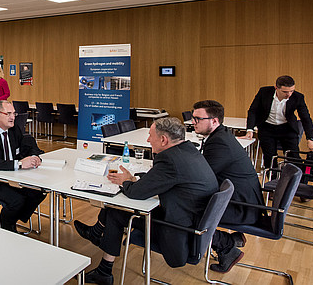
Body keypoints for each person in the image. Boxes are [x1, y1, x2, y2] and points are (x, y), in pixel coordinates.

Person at [74, 118, 218, 284]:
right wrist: (134, 179)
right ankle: (97, 238)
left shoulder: (169, 160)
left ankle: (103, 267)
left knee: (116, 210)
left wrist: (126, 181)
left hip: (178, 232)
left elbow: (136, 193)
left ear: (163, 139)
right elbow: (162, 180)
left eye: (150, 135)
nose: (148, 140)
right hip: (191, 221)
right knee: (117, 208)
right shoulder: (187, 150)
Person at [192, 100, 263, 273]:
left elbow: (202, 177)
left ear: (214, 121)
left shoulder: (219, 143)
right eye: (193, 118)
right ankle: (229, 241)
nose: (193, 122)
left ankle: (227, 246)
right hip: (242, 200)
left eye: (198, 119)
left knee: (185, 212)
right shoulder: (220, 135)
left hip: (242, 207)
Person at [0, 100, 45, 232]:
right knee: (16, 200)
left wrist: (35, 156)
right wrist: (18, 164)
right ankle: (5, 225)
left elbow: (28, 146)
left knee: (38, 192)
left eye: (14, 113)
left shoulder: (14, 130)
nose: (13, 117)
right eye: (8, 114)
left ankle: (8, 221)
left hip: (13, 175)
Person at [245, 75, 313, 169]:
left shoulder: (298, 97)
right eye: (285, 92)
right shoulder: (264, 92)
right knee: (270, 158)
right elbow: (253, 110)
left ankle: (296, 181)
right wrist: (250, 129)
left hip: (287, 128)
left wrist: (311, 139)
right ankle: (273, 181)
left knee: (294, 158)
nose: (289, 94)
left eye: (292, 91)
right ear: (276, 88)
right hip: (267, 128)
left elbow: (305, 118)